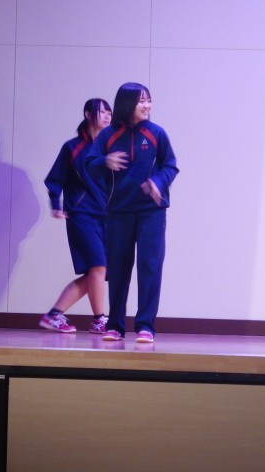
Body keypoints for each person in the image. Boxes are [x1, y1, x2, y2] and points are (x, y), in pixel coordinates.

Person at [85, 82, 178, 343]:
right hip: (118, 212)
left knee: (150, 267)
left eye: (149, 100)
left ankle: (146, 326)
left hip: (152, 212)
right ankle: (115, 325)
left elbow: (170, 166)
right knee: (118, 269)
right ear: (127, 104)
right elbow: (89, 163)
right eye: (141, 101)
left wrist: (158, 182)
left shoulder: (156, 133)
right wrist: (105, 161)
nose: (147, 105)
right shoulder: (108, 135)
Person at [40, 98, 113, 333]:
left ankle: (54, 315)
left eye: (109, 112)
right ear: (88, 114)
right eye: (102, 111)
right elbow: (55, 178)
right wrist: (56, 204)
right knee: (98, 266)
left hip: (108, 216)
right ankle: (100, 320)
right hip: (81, 214)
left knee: (98, 272)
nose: (107, 116)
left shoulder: (112, 147)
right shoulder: (72, 147)